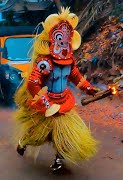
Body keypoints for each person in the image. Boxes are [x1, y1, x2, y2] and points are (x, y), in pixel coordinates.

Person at [14, 7, 100, 171]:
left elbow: (75, 76)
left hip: (63, 102)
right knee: (38, 136)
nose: (64, 42)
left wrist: (89, 88)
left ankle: (59, 160)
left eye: (67, 39)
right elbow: (33, 83)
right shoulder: (45, 62)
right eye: (61, 38)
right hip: (46, 103)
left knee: (67, 134)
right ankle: (23, 142)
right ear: (54, 38)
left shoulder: (69, 60)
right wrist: (46, 103)